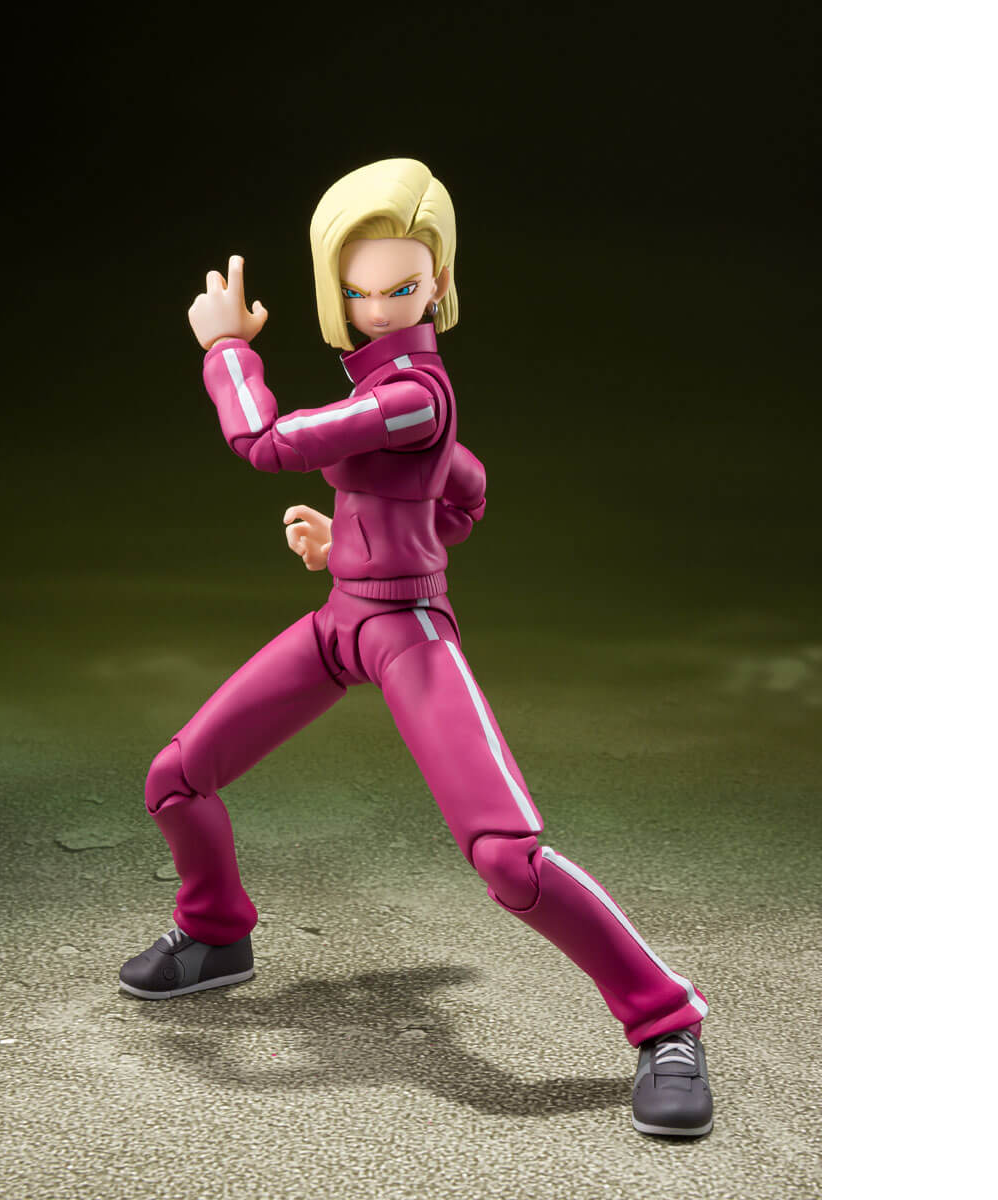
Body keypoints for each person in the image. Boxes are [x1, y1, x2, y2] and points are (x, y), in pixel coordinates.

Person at [118, 158, 714, 1137]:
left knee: (508, 860)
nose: (379, 307)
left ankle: (667, 1021)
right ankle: (216, 930)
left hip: (408, 634)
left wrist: (225, 349)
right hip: (340, 620)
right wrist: (358, 540)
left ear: (438, 281)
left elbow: (266, 443)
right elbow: (464, 489)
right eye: (358, 292)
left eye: (400, 288)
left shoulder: (413, 396)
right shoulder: (399, 401)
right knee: (175, 778)